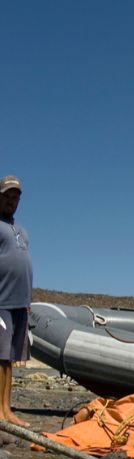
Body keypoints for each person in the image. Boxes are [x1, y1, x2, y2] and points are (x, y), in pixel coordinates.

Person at [0, 176, 31, 428]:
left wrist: (28, 299)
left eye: (15, 197)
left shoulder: (21, 230)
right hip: (1, 300)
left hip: (19, 301)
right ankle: (1, 412)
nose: (11, 201)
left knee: (9, 357)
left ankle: (7, 409)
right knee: (0, 356)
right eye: (6, 196)